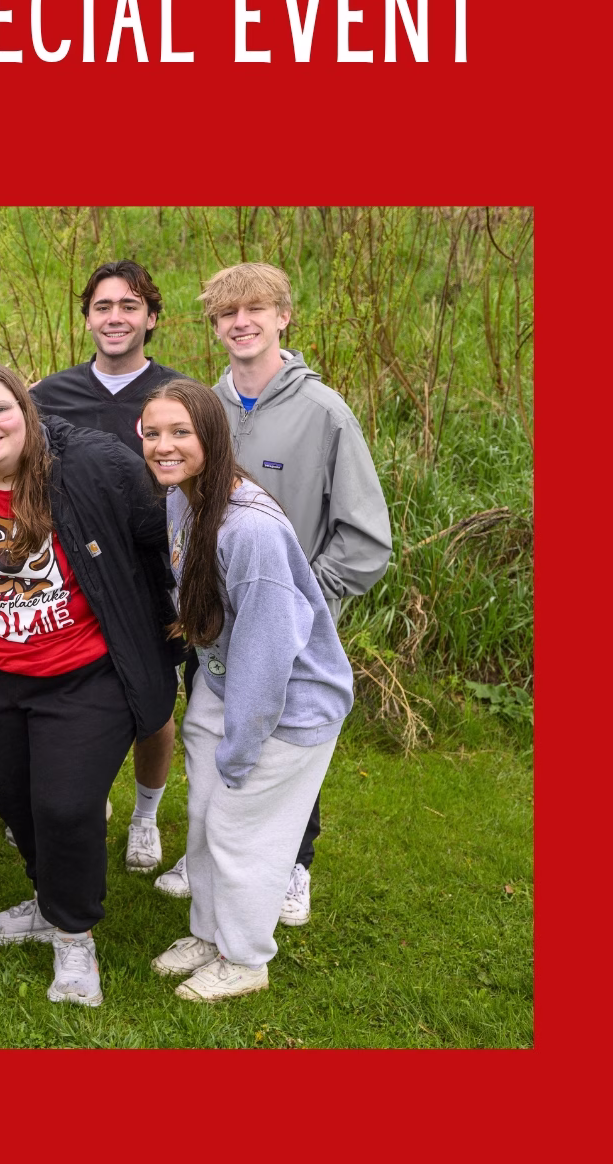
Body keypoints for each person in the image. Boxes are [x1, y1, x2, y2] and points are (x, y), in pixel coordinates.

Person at [0, 363, 179, 1007]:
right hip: (3, 673)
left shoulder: (90, 467)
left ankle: (75, 939)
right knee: (11, 797)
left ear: (27, 412)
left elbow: (160, 532)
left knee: (68, 807)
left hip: (86, 672)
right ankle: (48, 900)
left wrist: (174, 618)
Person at [154, 263, 391, 925]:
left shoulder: (323, 413)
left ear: (283, 316)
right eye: (227, 313)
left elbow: (367, 538)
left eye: (255, 309)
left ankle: (293, 864)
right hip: (212, 629)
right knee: (214, 743)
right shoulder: (204, 409)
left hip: (287, 635)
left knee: (284, 746)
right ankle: (205, 853)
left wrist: (300, 602)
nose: (241, 323)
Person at [139, 379, 353, 1001]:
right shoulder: (183, 499)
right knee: (205, 818)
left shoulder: (251, 531)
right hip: (222, 680)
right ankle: (210, 934)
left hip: (285, 703)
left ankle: (246, 958)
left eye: (180, 432)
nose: (164, 445)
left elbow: (268, 649)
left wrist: (242, 745)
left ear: (212, 435)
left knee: (242, 831)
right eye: (153, 433)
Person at [28, 261, 192, 874]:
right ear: (88, 317)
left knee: (152, 702)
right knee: (75, 698)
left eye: (129, 306)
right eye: (102, 306)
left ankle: (145, 816)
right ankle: (87, 798)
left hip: (152, 576)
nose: (115, 317)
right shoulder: (48, 396)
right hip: (70, 580)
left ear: (151, 317)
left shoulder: (178, 396)